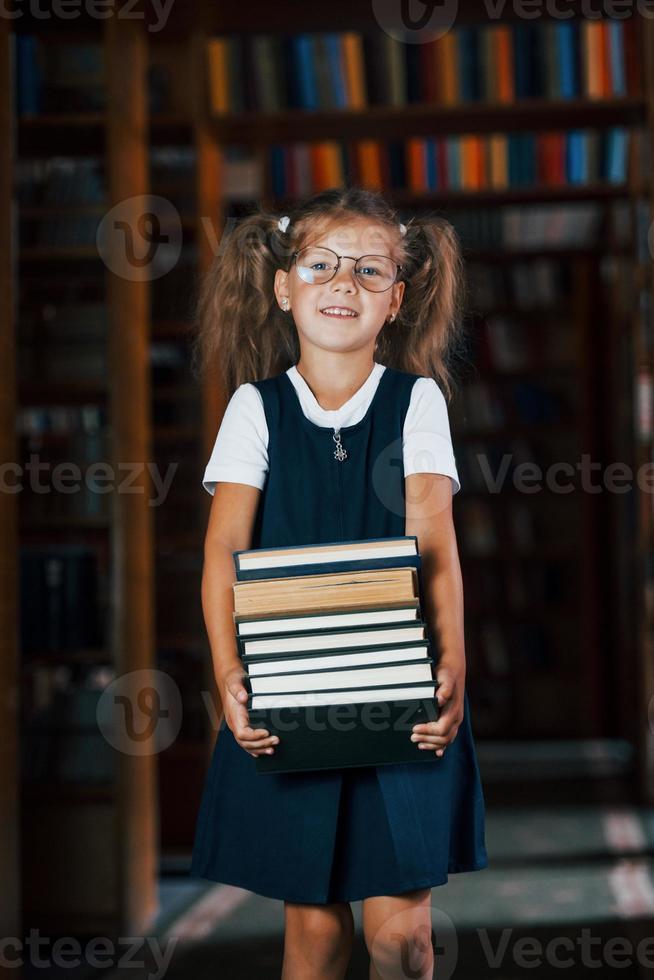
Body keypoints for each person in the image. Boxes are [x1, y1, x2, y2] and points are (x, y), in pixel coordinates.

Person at [190, 186, 488, 980]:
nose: (342, 283)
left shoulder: (417, 401)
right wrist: (229, 674)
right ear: (285, 287)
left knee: (403, 940)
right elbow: (222, 553)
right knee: (315, 937)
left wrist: (451, 663)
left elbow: (434, 545)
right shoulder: (254, 410)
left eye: (368, 270)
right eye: (321, 265)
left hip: (398, 685)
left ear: (397, 298)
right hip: (292, 690)